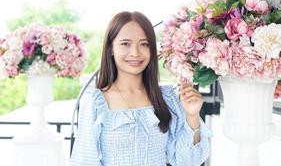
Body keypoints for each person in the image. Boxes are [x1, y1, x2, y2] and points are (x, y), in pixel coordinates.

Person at [69, 11, 212, 166]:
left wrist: (192, 116)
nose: (135, 53)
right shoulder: (95, 103)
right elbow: (84, 160)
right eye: (125, 44)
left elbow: (188, 162)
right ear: (111, 48)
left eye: (144, 44)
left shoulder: (166, 99)